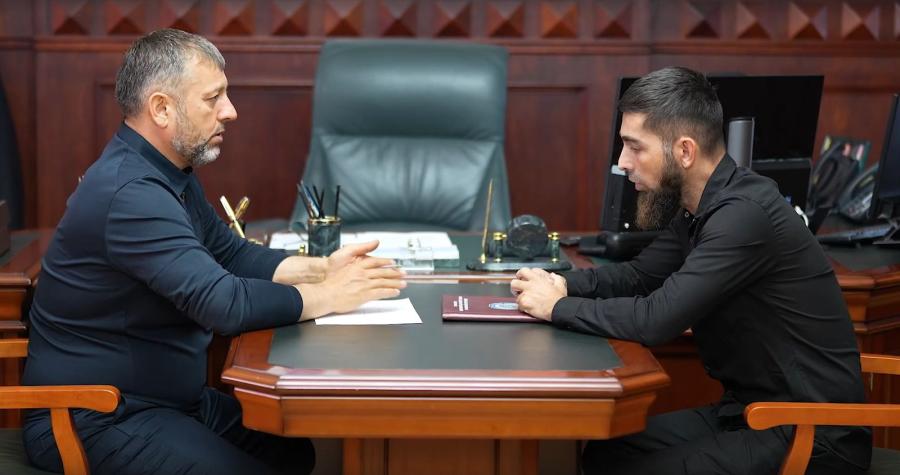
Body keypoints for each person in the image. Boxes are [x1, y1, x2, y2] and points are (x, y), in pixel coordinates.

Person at [22, 29, 405, 475]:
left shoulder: (166, 172)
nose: (230, 110)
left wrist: (321, 269)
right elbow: (222, 303)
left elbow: (231, 254)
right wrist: (330, 295)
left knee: (294, 453)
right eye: (213, 98)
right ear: (162, 108)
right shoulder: (130, 193)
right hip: (95, 415)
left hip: (163, 401)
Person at [511, 67, 871, 474]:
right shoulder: (702, 208)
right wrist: (559, 283)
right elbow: (639, 276)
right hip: (751, 414)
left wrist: (558, 307)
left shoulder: (744, 215)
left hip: (811, 433)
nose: (622, 163)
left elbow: (656, 319)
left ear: (684, 151)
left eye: (634, 147)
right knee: (607, 454)